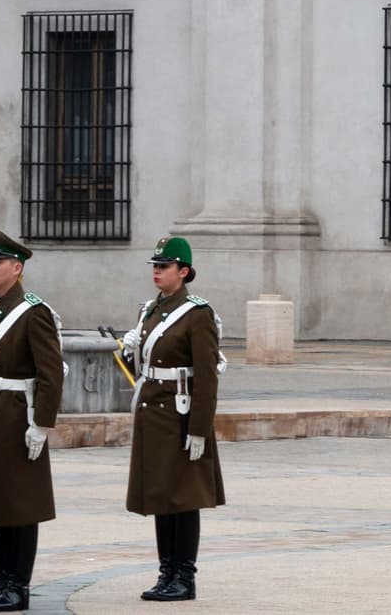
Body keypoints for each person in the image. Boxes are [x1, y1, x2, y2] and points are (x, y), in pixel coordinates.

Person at [119, 236, 226, 601]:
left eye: (164, 267)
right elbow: (144, 369)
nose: (157, 272)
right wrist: (132, 349)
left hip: (180, 416)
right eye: (155, 266)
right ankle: (166, 572)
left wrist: (199, 428)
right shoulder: (150, 310)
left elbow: (207, 375)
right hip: (154, 415)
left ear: (183, 271)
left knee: (184, 499)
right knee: (161, 497)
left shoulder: (197, 314)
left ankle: (184, 576)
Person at [0, 229, 64, 612]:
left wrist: (41, 423)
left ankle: (17, 585)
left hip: (15, 418)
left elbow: (50, 374)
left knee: (20, 505)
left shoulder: (33, 311)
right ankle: (1, 582)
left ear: (16, 268)